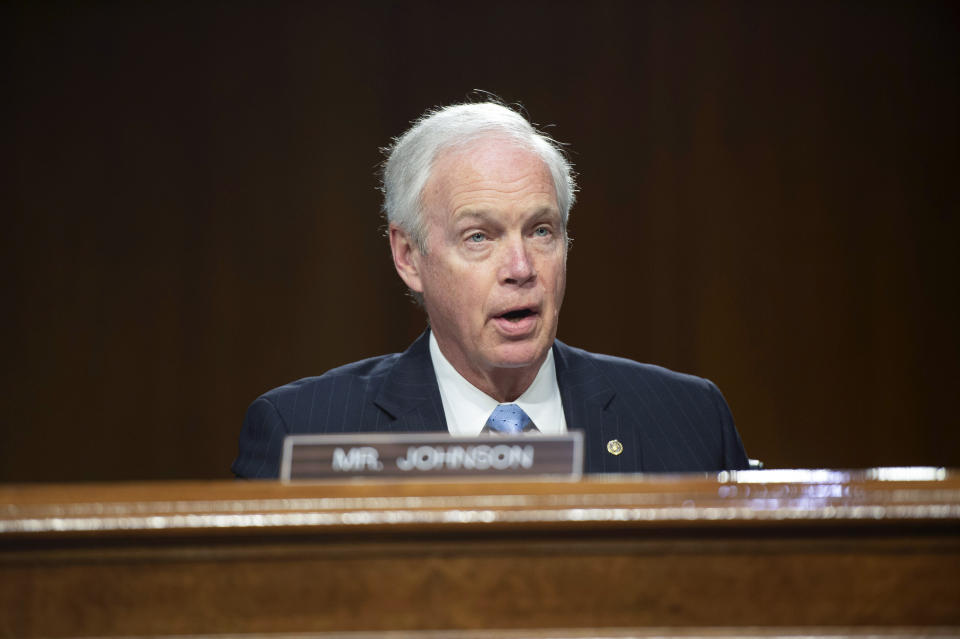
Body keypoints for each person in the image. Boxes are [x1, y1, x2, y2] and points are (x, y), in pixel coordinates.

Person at [232, 101, 749, 477]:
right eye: (479, 236)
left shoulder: (688, 418)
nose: (521, 267)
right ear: (408, 256)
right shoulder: (304, 433)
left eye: (541, 230)